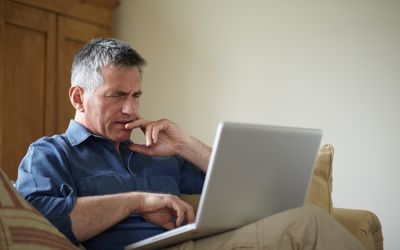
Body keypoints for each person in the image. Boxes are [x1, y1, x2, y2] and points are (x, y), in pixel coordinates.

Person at [16, 38, 365, 250]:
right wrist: (137, 202)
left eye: (136, 95)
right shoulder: (51, 153)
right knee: (309, 225)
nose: (131, 108)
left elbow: (254, 188)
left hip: (196, 242)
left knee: (304, 219)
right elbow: (39, 220)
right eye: (117, 95)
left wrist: (184, 146)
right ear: (79, 97)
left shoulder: (157, 154)